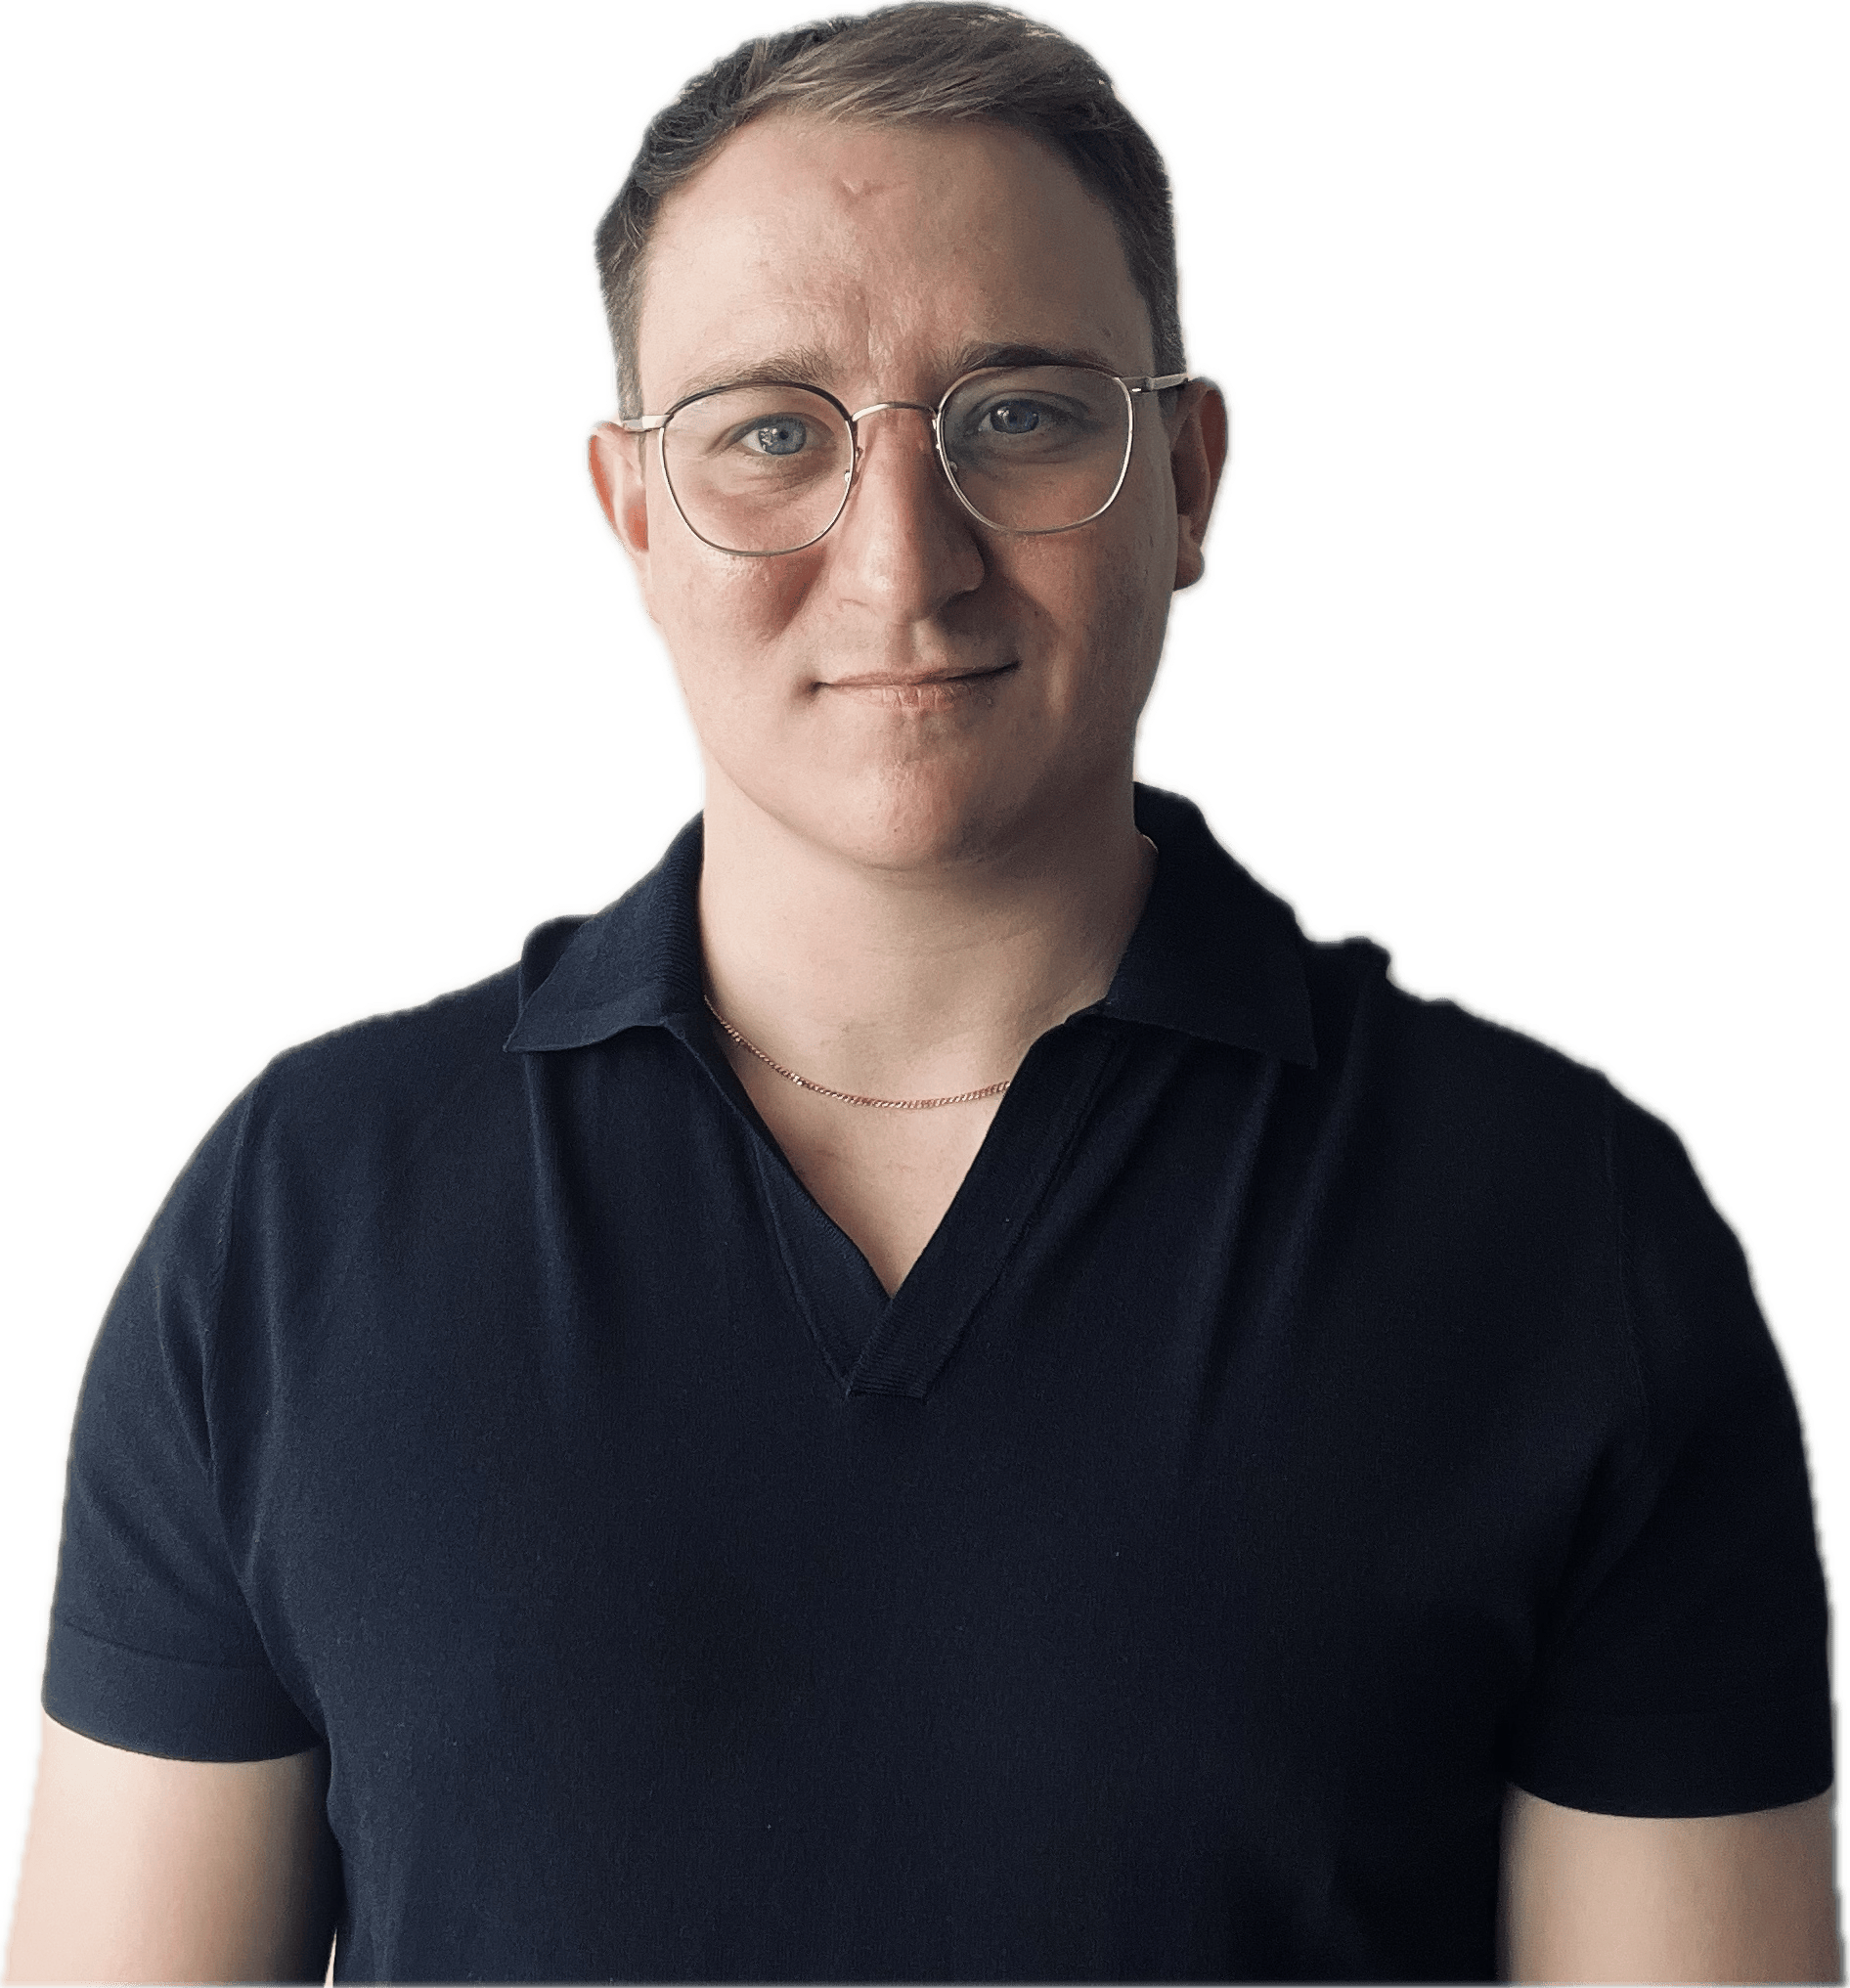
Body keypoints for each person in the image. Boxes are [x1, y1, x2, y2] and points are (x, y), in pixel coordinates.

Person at [3, 2, 1840, 1981]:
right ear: (630, 511)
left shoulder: (1560, 1228)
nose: (902, 562)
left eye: (1021, 415)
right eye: (772, 432)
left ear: (1190, 477)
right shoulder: (295, 1218)